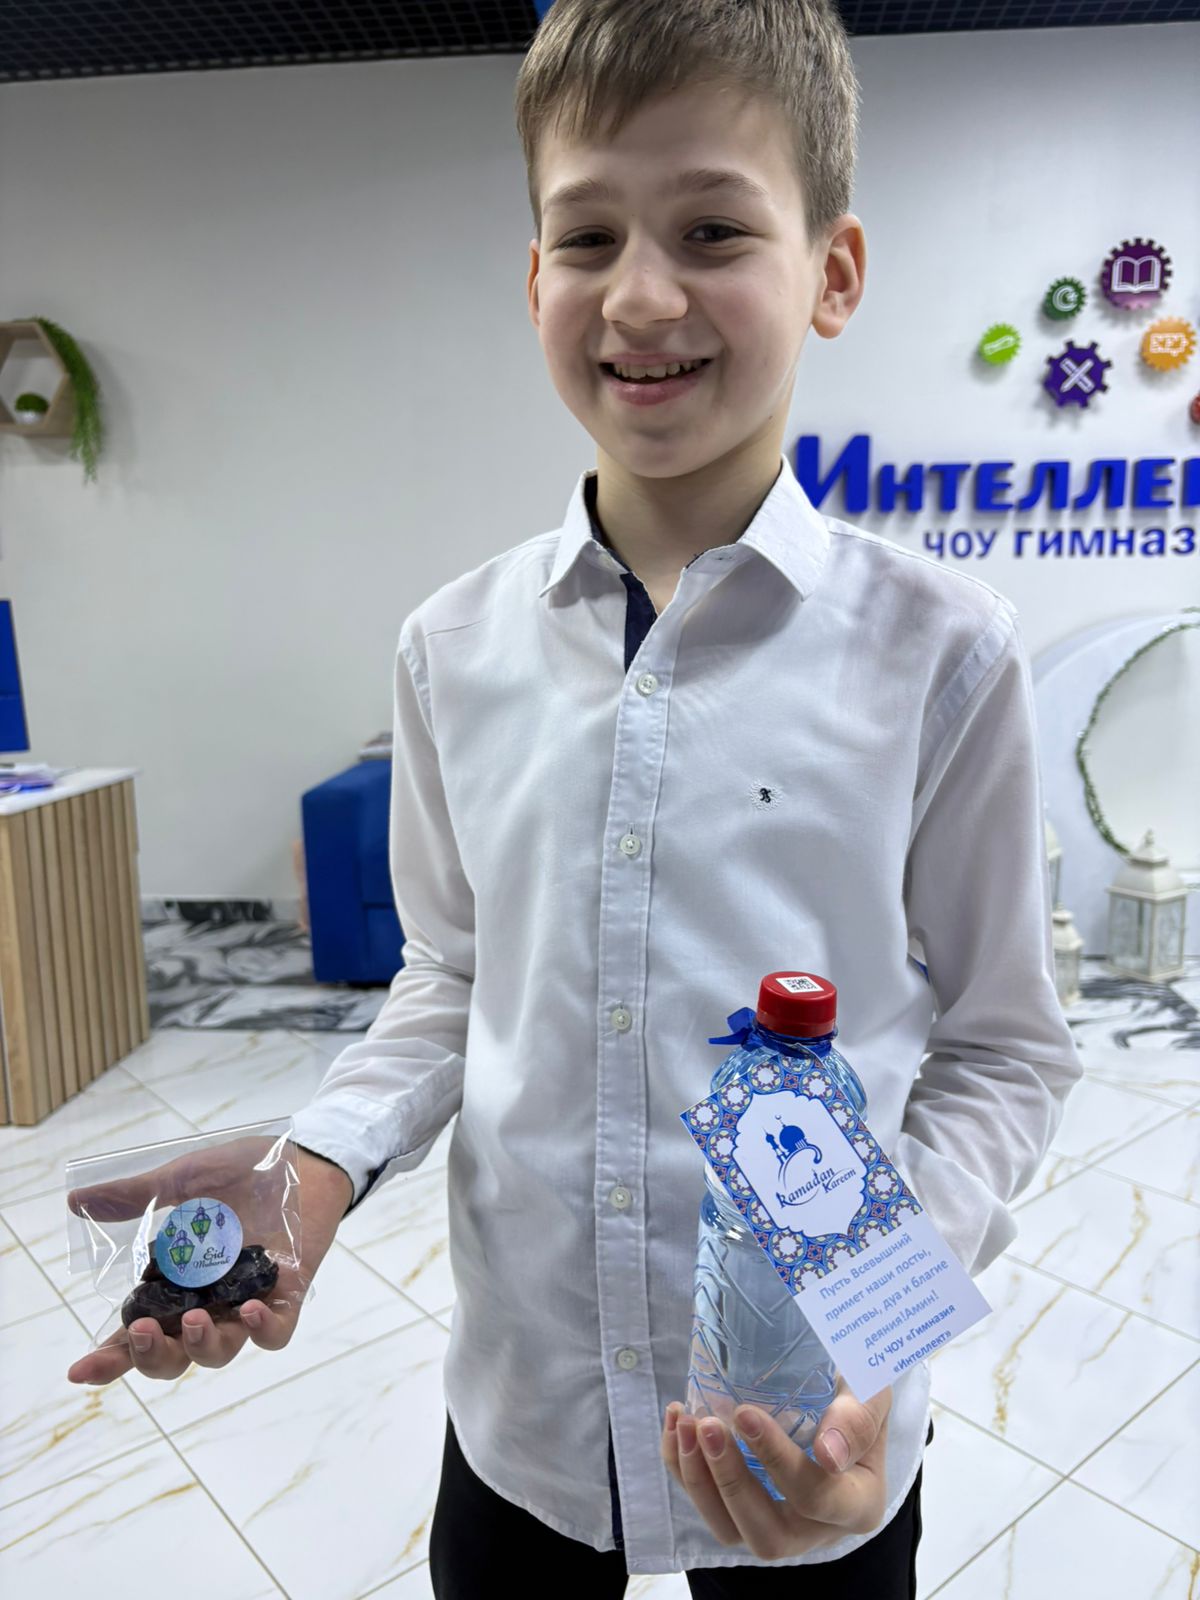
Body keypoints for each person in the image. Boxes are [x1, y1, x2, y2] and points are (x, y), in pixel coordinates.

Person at [68, 1, 1085, 1594]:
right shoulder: (453, 646)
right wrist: (313, 1167)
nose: (644, 294)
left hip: (809, 1420)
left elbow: (1005, 1048)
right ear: (535, 275)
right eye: (591, 236)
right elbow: (451, 973)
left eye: (713, 230)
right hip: (527, 1415)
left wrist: (876, 1337)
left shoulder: (941, 653)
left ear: (833, 272)